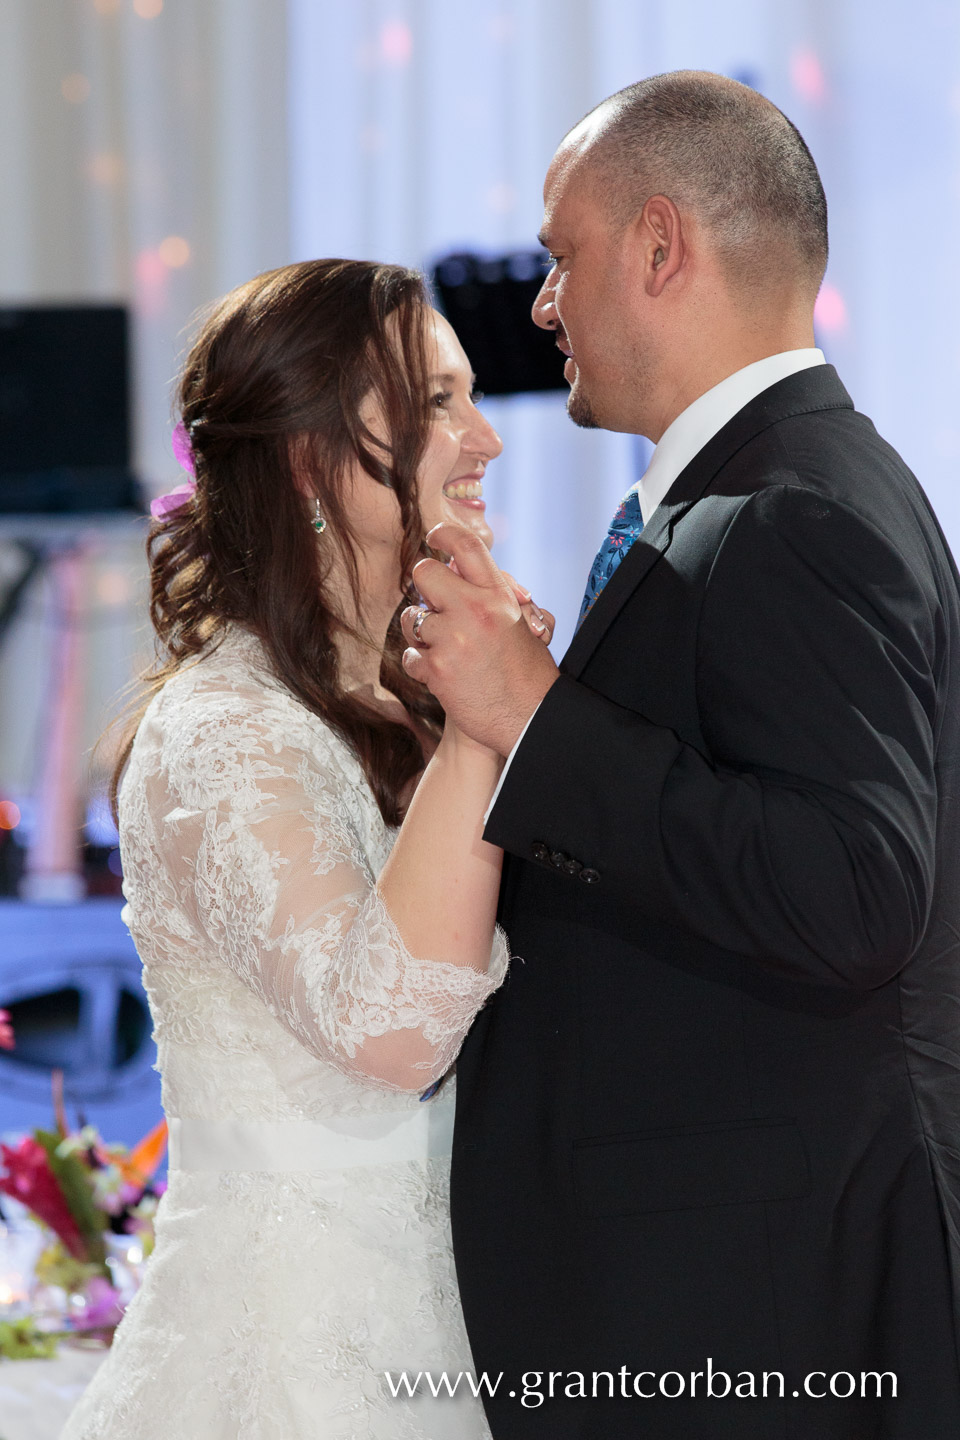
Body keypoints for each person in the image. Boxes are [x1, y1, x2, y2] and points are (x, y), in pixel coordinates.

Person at [402, 72, 960, 1438]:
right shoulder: (774, 489)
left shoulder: (791, 515)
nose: (541, 304)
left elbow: (852, 890)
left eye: (559, 257)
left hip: (762, 1294)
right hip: (729, 1270)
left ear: (659, 247)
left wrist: (533, 713)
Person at [62, 258, 551, 1440]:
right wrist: (489, 731)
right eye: (435, 402)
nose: (485, 438)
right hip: (294, 1363)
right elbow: (391, 1027)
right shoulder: (219, 729)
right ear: (308, 454)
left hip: (465, 1329)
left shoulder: (409, 703)